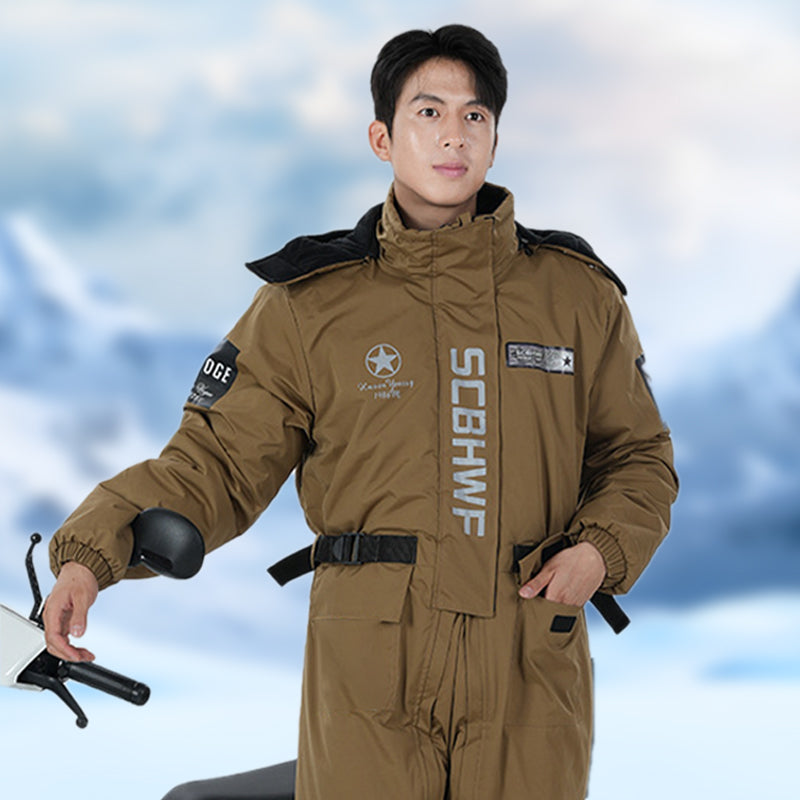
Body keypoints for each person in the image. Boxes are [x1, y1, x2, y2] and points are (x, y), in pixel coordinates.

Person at [43, 24, 678, 800]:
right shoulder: (310, 305)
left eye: (475, 116)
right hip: (371, 672)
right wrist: (92, 553)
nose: (453, 135)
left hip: (529, 664)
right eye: (428, 112)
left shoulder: (575, 296)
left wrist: (600, 551)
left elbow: (638, 458)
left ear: (495, 139)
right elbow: (215, 461)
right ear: (382, 137)